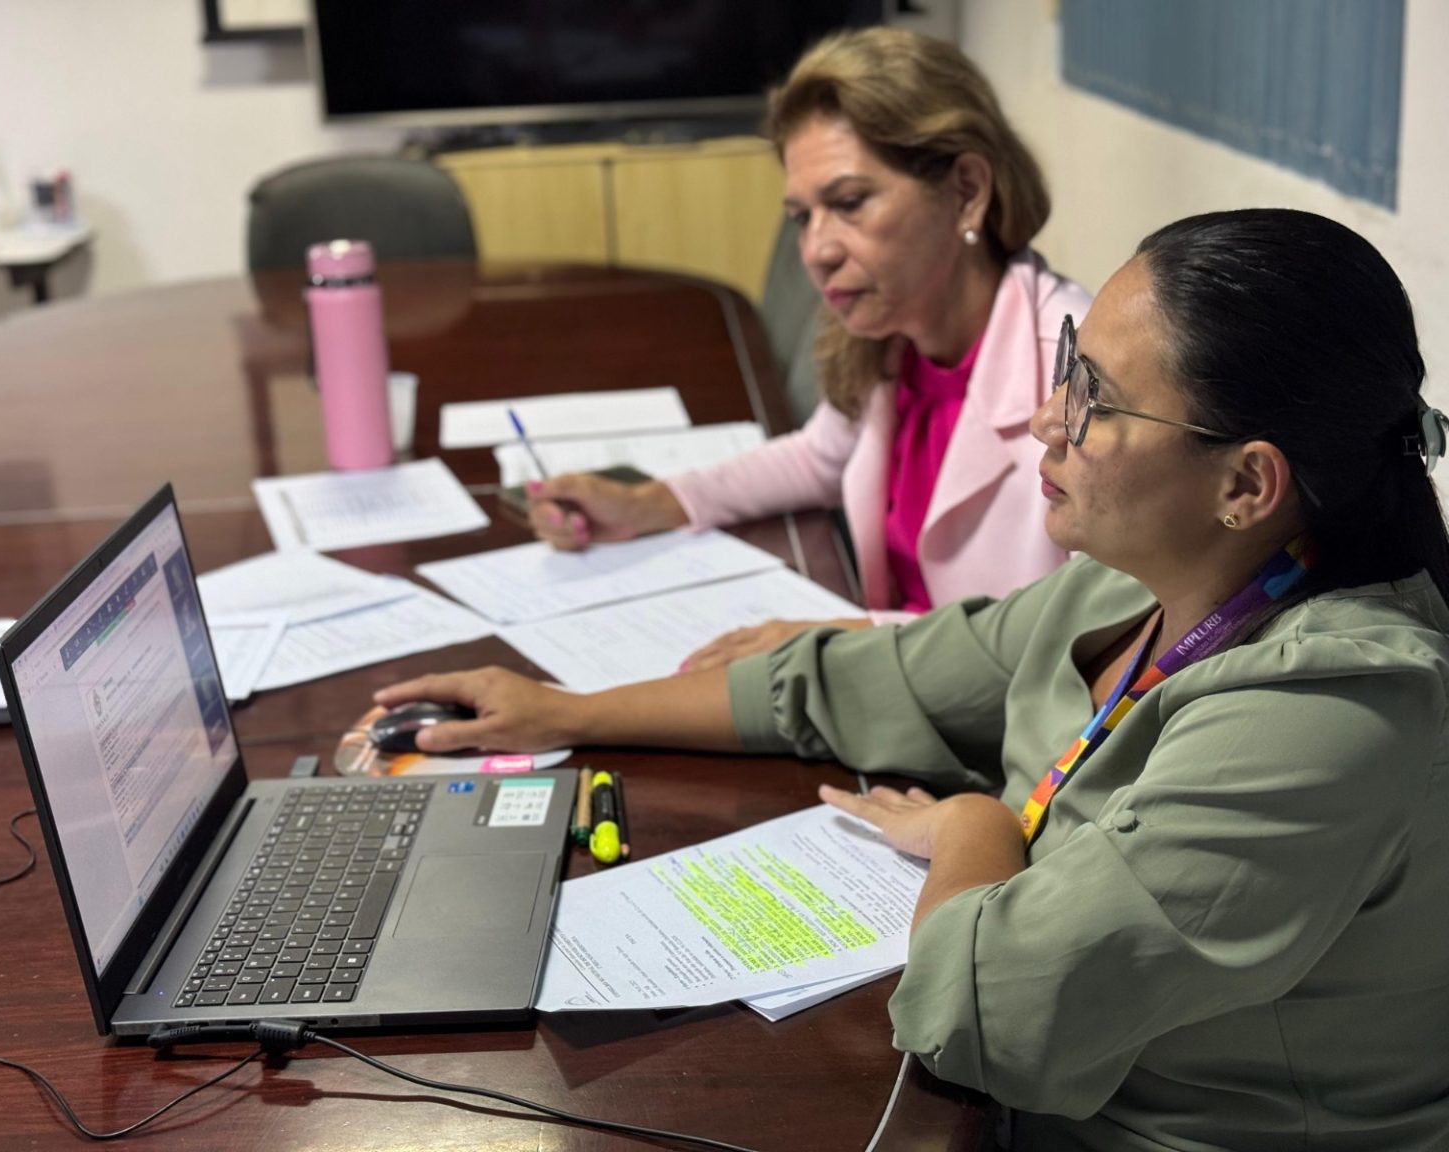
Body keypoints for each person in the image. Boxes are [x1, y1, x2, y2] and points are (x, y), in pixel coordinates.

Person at [379, 209, 1449, 1149]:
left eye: (1098, 399)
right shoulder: (1134, 585)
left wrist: (978, 826)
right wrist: (562, 710)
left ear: (1247, 483)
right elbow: (857, 678)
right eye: (1070, 364)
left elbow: (979, 1014)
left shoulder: (1329, 716)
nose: (1048, 418)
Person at [525, 27, 1090, 671]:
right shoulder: (895, 331)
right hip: (903, 690)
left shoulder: (1082, 375)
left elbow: (1081, 636)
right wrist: (650, 503)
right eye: (803, 216)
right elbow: (820, 459)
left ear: (966, 191)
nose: (816, 251)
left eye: (849, 204)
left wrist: (844, 635)